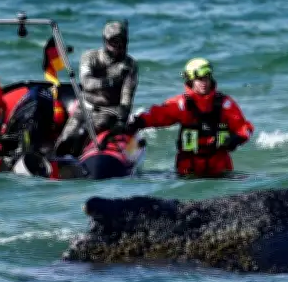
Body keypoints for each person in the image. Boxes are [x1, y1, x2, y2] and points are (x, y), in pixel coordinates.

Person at [123, 57, 254, 177]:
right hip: (189, 169)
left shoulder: (225, 104)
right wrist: (136, 122)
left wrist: (235, 139)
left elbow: (245, 128)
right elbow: (158, 116)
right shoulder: (181, 104)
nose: (204, 82)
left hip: (219, 167)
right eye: (199, 79)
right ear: (190, 80)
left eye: (207, 77)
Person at [55, 20, 138, 156]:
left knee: (83, 134)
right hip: (84, 107)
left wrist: (122, 120)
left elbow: (127, 96)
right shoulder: (90, 57)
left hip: (109, 111)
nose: (119, 47)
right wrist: (110, 82)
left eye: (122, 42)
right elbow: (86, 83)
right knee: (66, 138)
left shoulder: (129, 66)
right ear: (105, 42)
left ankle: (81, 162)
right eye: (114, 42)